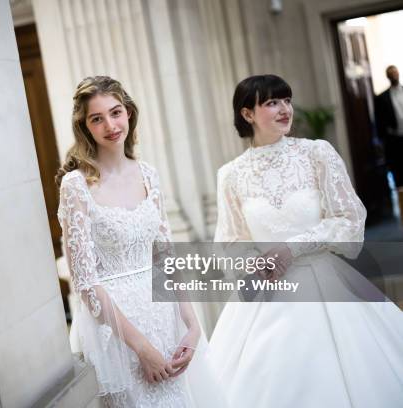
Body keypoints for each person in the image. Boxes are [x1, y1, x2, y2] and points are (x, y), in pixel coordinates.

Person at [208, 74, 403, 407]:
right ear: (247, 114)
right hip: (270, 293)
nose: (285, 109)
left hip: (326, 283)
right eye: (272, 103)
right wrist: (255, 261)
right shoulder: (231, 174)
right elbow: (230, 242)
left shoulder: (317, 154)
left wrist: (292, 247)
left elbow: (349, 220)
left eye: (287, 100)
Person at [56, 76, 225, 407]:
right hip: (117, 331)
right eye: (97, 118)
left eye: (116, 112)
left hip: (165, 315)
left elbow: (165, 256)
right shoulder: (76, 185)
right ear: (85, 127)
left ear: (129, 113)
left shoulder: (148, 174)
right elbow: (86, 283)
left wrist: (191, 325)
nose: (110, 125)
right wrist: (142, 349)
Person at [375, 65, 403, 186]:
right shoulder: (381, 98)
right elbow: (379, 121)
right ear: (388, 77)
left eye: (395, 72)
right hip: (394, 141)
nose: (394, 75)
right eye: (391, 74)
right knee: (399, 175)